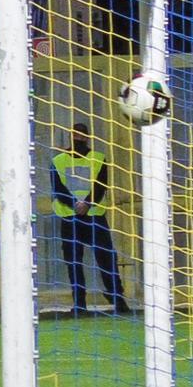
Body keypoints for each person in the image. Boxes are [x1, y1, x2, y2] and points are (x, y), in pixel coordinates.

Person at [51, 123, 131, 315]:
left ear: (87, 137)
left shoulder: (98, 158)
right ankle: (79, 303)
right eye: (75, 135)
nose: (78, 138)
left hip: (94, 216)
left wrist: (86, 203)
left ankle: (117, 298)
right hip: (70, 218)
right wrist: (75, 204)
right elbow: (58, 188)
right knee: (73, 262)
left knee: (106, 258)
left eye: (82, 135)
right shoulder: (58, 160)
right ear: (71, 136)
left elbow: (101, 185)